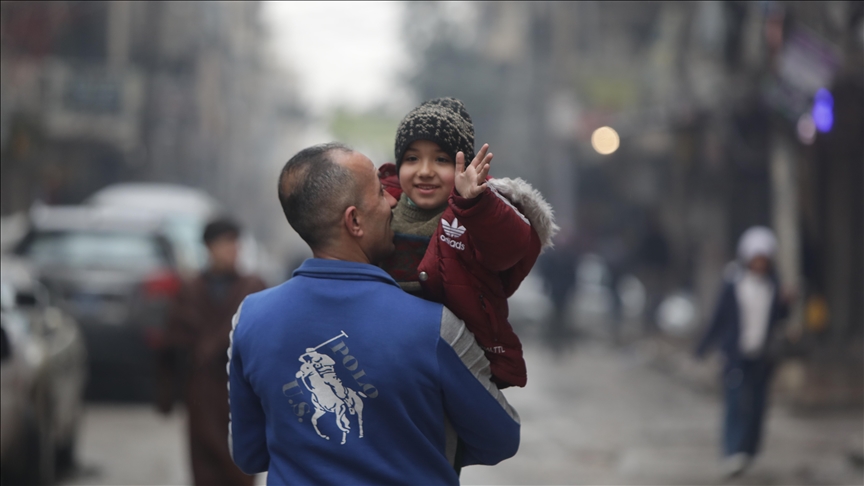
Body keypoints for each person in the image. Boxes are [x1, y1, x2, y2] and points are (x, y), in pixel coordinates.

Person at [228, 143, 520, 484]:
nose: (394, 202)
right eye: (381, 193)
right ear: (354, 221)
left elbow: (248, 452)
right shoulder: (434, 326)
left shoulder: (249, 319)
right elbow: (500, 438)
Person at [377, 97, 557, 388]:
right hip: (389, 352)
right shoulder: (381, 211)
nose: (424, 170)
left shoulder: (473, 215)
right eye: (412, 158)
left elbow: (508, 250)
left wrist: (476, 204)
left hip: (459, 358)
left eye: (441, 160)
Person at [157, 218, 266, 486]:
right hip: (202, 392)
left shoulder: (252, 287)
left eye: (235, 243)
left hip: (239, 392)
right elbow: (172, 342)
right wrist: (167, 395)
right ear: (208, 247)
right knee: (204, 468)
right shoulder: (191, 289)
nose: (232, 250)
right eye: (225, 243)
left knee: (239, 467)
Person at [695, 226, 793, 478]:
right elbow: (719, 317)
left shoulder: (774, 285)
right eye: (755, 258)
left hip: (762, 357)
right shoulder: (733, 282)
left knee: (758, 406)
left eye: (764, 259)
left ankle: (748, 451)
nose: (759, 263)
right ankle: (733, 452)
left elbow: (781, 320)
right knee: (736, 403)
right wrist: (703, 347)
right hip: (735, 356)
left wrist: (788, 303)